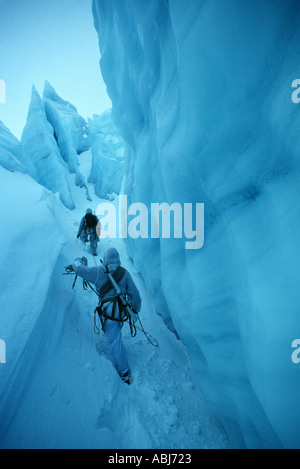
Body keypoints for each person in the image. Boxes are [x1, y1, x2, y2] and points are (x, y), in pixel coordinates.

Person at [72, 248, 141, 384]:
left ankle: (124, 372)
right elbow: (135, 295)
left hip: (108, 312)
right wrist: (135, 309)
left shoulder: (98, 271)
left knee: (115, 341)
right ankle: (119, 355)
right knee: (115, 334)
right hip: (120, 312)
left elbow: (79, 270)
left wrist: (77, 261)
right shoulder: (124, 273)